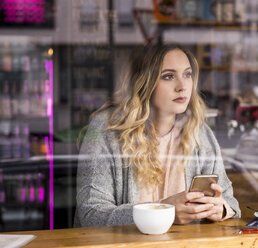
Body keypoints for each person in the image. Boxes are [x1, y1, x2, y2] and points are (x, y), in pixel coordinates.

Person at [74, 44, 241, 227]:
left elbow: (231, 204)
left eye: (187, 74)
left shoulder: (199, 132)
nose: (182, 86)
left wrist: (220, 209)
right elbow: (91, 214)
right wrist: (163, 211)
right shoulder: (105, 130)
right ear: (143, 82)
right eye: (168, 76)